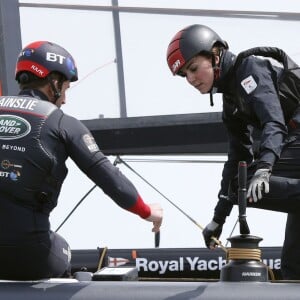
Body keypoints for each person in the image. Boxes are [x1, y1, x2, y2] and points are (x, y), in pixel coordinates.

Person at [0, 41, 163, 280]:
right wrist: (147, 211)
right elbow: (112, 180)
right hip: (29, 254)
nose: (64, 99)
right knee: (64, 253)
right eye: (65, 88)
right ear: (53, 82)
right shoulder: (63, 123)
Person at [166, 24, 300, 279]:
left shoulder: (249, 69)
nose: (191, 79)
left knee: (245, 182)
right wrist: (218, 220)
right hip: (294, 148)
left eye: (193, 68)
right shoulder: (231, 100)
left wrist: (264, 169)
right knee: (293, 270)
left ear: (215, 54)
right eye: (184, 75)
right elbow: (236, 159)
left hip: (293, 140)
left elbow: (274, 122)